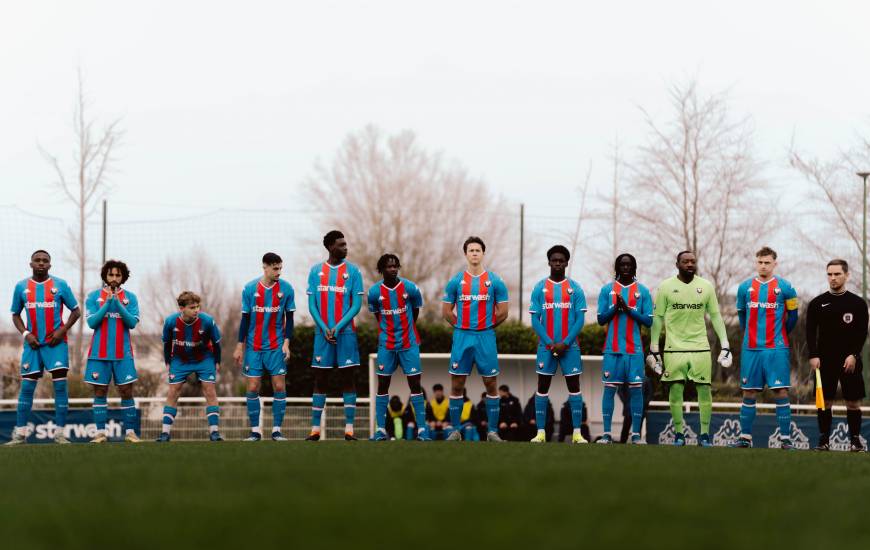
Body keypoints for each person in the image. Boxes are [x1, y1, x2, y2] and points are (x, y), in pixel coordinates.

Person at [647, 251, 731, 447]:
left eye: (693, 261)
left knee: (704, 390)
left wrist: (725, 344)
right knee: (676, 391)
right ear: (677, 264)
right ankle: (679, 434)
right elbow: (658, 318)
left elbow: (716, 316)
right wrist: (654, 348)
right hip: (673, 348)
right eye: (685, 261)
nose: (690, 264)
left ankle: (703, 435)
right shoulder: (666, 287)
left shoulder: (706, 286)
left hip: (700, 347)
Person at [5, 250, 81, 446]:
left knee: (60, 386)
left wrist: (62, 331)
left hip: (56, 344)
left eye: (45, 261)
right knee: (27, 386)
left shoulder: (60, 285)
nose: (41, 263)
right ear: (30, 263)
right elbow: (15, 314)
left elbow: (76, 311)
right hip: (32, 345)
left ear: (50, 265)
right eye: (37, 260)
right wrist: (26, 334)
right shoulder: (21, 286)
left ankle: (60, 434)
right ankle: (20, 435)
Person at [441, 236, 510, 442]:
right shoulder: (455, 281)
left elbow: (503, 312)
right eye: (470, 250)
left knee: (490, 383)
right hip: (462, 337)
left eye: (477, 250)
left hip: (485, 337)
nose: (474, 253)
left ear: (483, 253)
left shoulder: (495, 281)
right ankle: (455, 431)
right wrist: (462, 327)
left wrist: (485, 327)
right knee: (457, 383)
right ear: (465, 254)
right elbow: (446, 311)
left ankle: (492, 432)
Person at [730, 247, 799, 449]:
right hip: (751, 348)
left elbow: (793, 318)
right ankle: (745, 438)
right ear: (755, 262)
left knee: (780, 391)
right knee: (748, 392)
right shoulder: (744, 288)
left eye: (767, 262)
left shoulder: (786, 288)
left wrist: (779, 336)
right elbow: (742, 318)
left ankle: (785, 440)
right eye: (760, 262)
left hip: (776, 349)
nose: (763, 266)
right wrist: (750, 336)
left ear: (774, 263)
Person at [306, 231, 365, 441]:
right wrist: (323, 327)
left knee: (347, 379)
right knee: (320, 380)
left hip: (346, 334)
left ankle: (349, 429)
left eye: (345, 244)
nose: (345, 248)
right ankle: (315, 430)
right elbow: (312, 305)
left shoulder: (354, 272)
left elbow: (356, 305)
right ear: (331, 247)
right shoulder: (315, 271)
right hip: (322, 335)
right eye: (341, 245)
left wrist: (338, 327)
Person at [806, 259, 869, 452]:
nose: (833, 278)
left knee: (853, 402)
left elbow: (862, 333)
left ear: (846, 275)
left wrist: (854, 355)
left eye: (837, 274)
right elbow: (809, 331)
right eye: (829, 274)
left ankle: (855, 441)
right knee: (824, 402)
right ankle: (824, 441)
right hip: (825, 361)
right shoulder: (817, 303)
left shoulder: (858, 304)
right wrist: (813, 355)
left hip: (850, 360)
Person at [528, 245, 588, 444]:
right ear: (549, 262)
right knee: (542, 387)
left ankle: (577, 433)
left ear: (566, 263)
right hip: (547, 348)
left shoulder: (575, 288)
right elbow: (535, 320)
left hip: (570, 348)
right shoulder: (539, 288)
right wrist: (550, 343)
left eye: (561, 261)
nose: (557, 264)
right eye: (554, 260)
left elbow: (580, 320)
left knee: (574, 387)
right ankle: (541, 433)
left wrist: (565, 343)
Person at [232, 252, 295, 441]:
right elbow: (245, 319)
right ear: (265, 267)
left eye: (280, 268)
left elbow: (290, 319)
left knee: (279, 385)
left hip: (276, 346)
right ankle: (255, 431)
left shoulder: (287, 289)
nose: (279, 272)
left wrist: (286, 343)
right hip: (253, 346)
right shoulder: (250, 289)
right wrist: (238, 346)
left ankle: (276, 430)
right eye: (275, 268)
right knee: (252, 387)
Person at [367, 254, 429, 441]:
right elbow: (378, 316)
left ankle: (422, 430)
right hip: (386, 345)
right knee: (383, 386)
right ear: (381, 270)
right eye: (388, 266)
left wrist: (406, 329)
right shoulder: (374, 292)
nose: (393, 269)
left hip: (409, 344)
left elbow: (416, 311)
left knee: (415, 385)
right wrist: (390, 332)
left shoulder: (410, 288)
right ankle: (380, 430)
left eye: (395, 266)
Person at [596, 253, 653, 445]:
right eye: (622, 265)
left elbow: (649, 320)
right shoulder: (607, 290)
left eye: (629, 265)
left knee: (636, 391)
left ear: (634, 267)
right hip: (612, 350)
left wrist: (629, 310)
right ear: (617, 267)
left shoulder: (643, 291)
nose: (625, 268)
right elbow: (600, 319)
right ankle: (606, 434)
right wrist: (616, 308)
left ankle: (636, 435)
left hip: (634, 350)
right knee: (609, 390)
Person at [84, 259, 141, 443]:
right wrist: (107, 303)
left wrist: (117, 303)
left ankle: (130, 432)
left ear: (123, 277)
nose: (114, 278)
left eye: (118, 275)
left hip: (122, 354)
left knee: (126, 391)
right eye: (111, 274)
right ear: (105, 276)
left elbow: (132, 323)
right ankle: (100, 433)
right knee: (100, 392)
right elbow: (92, 322)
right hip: (99, 354)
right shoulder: (93, 297)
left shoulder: (130, 297)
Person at [157, 291, 224, 442]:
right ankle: (165, 433)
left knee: (210, 390)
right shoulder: (170, 322)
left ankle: (214, 432)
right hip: (180, 359)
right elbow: (167, 344)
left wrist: (217, 361)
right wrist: (167, 362)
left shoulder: (207, 321)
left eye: (198, 307)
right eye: (192, 307)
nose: (196, 310)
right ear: (182, 308)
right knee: (173, 391)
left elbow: (217, 344)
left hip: (204, 358)